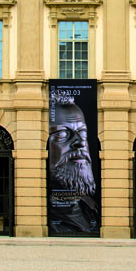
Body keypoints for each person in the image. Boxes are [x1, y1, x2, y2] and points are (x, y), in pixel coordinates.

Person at [48, 95, 98, 233]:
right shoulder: (46, 214)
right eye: (62, 134)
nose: (81, 142)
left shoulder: (93, 208)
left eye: (82, 133)